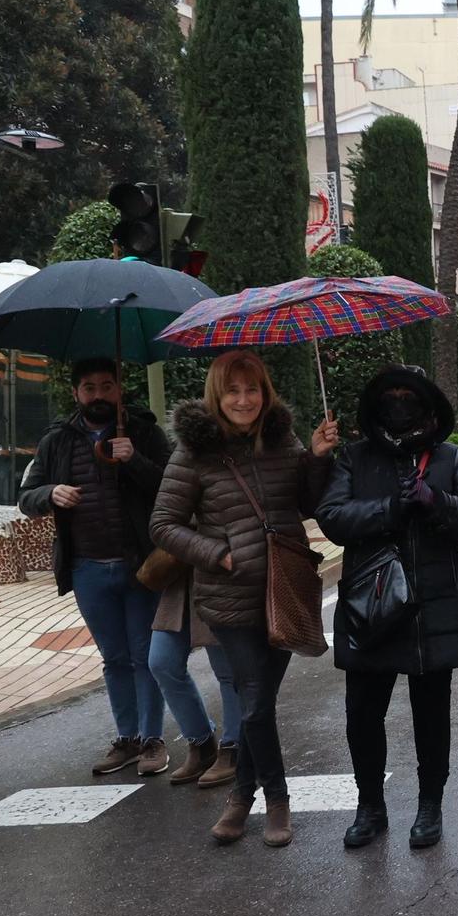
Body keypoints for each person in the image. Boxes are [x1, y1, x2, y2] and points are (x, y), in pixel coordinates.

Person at [151, 352, 337, 848]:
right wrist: (217, 554)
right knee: (255, 701)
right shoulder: (194, 452)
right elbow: (163, 524)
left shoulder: (283, 439)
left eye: (251, 389)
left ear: (265, 392)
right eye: (232, 390)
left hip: (283, 588)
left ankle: (241, 792)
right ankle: (272, 800)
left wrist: (318, 458)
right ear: (217, 394)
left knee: (258, 701)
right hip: (229, 598)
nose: (243, 399)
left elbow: (308, 504)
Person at [318, 365, 458, 850]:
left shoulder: (450, 457)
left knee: (431, 713)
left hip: (434, 606)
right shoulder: (354, 458)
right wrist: (387, 510)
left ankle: (429, 805)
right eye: (389, 394)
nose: (399, 402)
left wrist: (433, 501)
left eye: (408, 395)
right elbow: (332, 517)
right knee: (363, 714)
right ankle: (370, 806)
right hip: (371, 605)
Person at [19, 359, 180, 776]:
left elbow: (173, 486)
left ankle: (152, 739)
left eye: (107, 386)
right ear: (76, 393)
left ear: (119, 390)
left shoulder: (143, 431)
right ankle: (126, 738)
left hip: (140, 565)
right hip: (86, 566)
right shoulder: (57, 439)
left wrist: (134, 460)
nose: (98, 395)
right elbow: (27, 496)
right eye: (89, 387)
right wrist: (51, 492)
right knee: (114, 657)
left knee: (145, 655)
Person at [146, 571, 243, 787]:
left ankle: (234, 747)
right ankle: (201, 741)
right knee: (162, 663)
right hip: (180, 581)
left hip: (221, 581)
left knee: (228, 672)